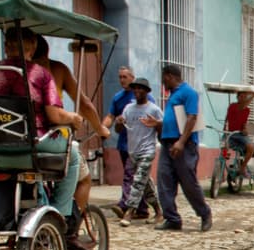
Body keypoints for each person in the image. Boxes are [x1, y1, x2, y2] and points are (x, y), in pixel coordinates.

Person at [0, 27, 89, 250]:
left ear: (7, 45)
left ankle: (35, 201)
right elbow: (55, 116)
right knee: (73, 156)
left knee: (32, 163)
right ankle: (61, 218)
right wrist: (74, 118)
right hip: (31, 141)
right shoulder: (39, 74)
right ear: (33, 47)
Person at [32, 35, 110, 234]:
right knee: (82, 174)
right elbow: (82, 105)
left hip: (10, 139)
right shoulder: (52, 71)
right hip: (47, 138)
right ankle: (66, 224)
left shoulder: (7, 71)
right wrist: (99, 128)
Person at [156, 64, 212, 232]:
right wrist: (158, 124)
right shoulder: (173, 95)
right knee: (164, 180)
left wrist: (181, 142)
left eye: (164, 78)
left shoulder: (189, 93)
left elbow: (191, 117)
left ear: (170, 76)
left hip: (184, 144)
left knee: (188, 182)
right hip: (167, 144)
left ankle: (204, 213)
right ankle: (172, 218)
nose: (163, 82)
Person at [102, 65, 152, 220]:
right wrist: (103, 128)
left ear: (132, 77)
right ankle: (142, 209)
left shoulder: (145, 98)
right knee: (138, 178)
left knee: (131, 177)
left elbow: (154, 120)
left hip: (141, 145)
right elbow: (111, 116)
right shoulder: (118, 98)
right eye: (120, 77)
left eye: (125, 77)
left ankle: (124, 205)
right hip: (125, 144)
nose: (122, 80)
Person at [116, 77, 163, 227]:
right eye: (135, 88)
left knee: (137, 181)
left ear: (147, 91)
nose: (137, 91)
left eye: (140, 88)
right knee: (145, 182)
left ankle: (129, 212)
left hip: (147, 150)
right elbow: (119, 129)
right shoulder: (128, 109)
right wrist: (119, 123)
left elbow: (163, 127)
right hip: (133, 151)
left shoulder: (154, 109)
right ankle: (159, 211)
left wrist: (157, 125)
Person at [225, 91, 254, 178]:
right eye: (241, 97)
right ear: (237, 97)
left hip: (240, 134)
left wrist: (245, 130)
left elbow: (244, 123)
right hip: (230, 133)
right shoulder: (232, 106)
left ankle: (242, 167)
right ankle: (221, 171)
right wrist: (253, 96)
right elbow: (241, 107)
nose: (243, 99)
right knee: (223, 147)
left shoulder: (247, 110)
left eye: (245, 97)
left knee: (251, 147)